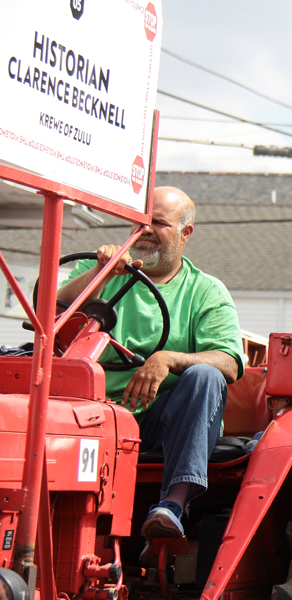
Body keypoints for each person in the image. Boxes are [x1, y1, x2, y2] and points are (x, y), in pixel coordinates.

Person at [58, 187, 245, 562]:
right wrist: (102, 271)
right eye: (140, 222)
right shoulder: (101, 271)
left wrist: (167, 359)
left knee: (205, 376)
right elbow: (54, 313)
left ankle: (172, 506)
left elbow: (230, 360)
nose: (145, 231)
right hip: (93, 413)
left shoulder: (205, 291)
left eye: (157, 223)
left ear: (184, 233)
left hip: (164, 419)